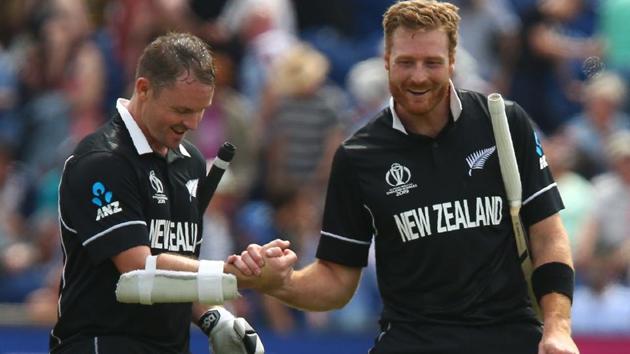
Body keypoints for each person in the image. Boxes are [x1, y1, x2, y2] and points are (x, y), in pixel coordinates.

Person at [229, 1, 579, 353]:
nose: (418, 76)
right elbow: (336, 279)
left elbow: (548, 235)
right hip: (412, 341)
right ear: (386, 60)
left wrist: (558, 328)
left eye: (432, 62)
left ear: (453, 60)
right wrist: (281, 282)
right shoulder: (358, 156)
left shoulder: (503, 123)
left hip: (510, 338)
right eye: (406, 62)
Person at [50, 32, 263, 354]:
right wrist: (232, 275)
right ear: (143, 89)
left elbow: (174, 270)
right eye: (181, 110)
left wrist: (213, 318)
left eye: (201, 110)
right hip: (102, 345)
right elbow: (138, 269)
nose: (191, 123)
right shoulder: (102, 161)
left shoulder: (190, 162)